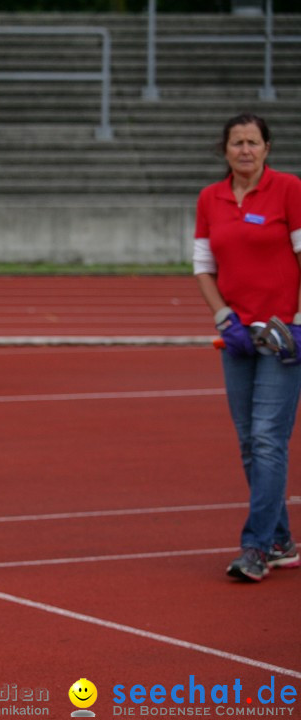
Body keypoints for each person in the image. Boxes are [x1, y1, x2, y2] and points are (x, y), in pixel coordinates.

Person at [193, 112, 301, 583]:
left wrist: (298, 324)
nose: (245, 150)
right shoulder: (209, 198)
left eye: (253, 142)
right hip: (238, 336)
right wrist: (224, 318)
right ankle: (280, 540)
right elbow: (203, 266)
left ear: (267, 148)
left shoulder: (289, 190)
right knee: (249, 443)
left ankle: (256, 547)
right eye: (237, 142)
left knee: (267, 439)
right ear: (225, 150)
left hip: (282, 338)